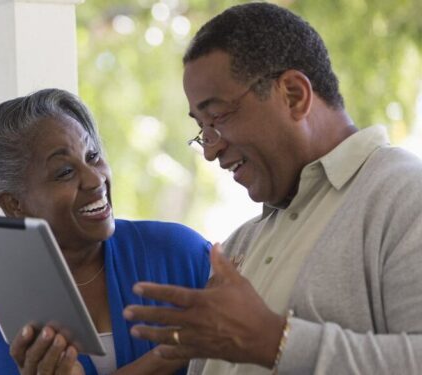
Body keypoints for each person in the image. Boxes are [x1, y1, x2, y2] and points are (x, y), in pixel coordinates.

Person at [123, 3, 422, 375]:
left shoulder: (405, 195)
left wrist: (272, 341)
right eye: (202, 129)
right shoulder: (240, 246)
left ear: (294, 95)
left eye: (216, 117)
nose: (211, 150)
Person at [0, 88, 211, 375]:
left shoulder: (179, 253)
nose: (95, 179)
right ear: (14, 203)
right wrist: (173, 354)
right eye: (65, 172)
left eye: (92, 156)